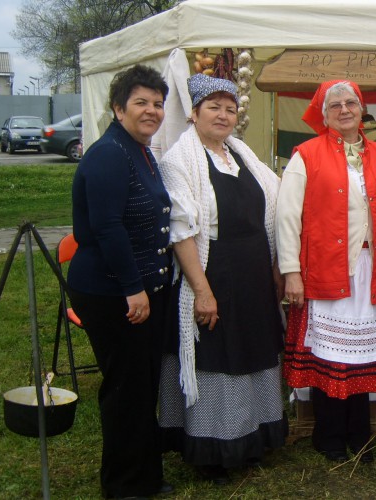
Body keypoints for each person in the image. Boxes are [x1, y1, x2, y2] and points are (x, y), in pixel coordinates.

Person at [156, 74, 286, 483]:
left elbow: (274, 207)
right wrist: (202, 291)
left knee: (253, 351)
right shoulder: (180, 161)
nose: (223, 115)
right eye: (213, 107)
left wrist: (276, 269)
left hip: (252, 272)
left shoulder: (242, 154)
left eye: (230, 109)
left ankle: (251, 437)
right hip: (212, 272)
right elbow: (182, 231)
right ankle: (214, 447)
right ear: (193, 114)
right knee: (219, 356)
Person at [276, 80, 376, 463]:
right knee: (331, 356)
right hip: (326, 268)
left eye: (350, 102)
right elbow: (286, 218)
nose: (344, 109)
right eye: (334, 104)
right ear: (324, 114)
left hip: (373, 268)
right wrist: (291, 271)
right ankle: (329, 435)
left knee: (364, 356)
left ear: (362, 109)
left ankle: (359, 432)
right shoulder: (306, 155)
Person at [66, 64, 173, 499]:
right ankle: (124, 486)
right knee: (126, 389)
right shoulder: (111, 152)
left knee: (142, 384)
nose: (152, 111)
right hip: (112, 291)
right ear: (117, 108)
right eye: (141, 103)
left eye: (158, 103)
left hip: (141, 287)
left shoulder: (140, 149)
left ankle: (144, 475)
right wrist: (134, 289)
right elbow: (108, 227)